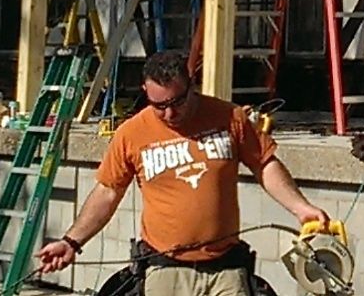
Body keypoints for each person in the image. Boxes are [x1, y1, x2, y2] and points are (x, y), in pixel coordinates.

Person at [34, 50, 330, 295]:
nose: (169, 114)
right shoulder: (131, 134)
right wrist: (72, 241)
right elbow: (108, 192)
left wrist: (300, 207)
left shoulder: (230, 118)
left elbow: (264, 164)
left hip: (225, 268)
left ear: (191, 84)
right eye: (159, 106)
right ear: (145, 93)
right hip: (166, 268)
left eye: (177, 102)